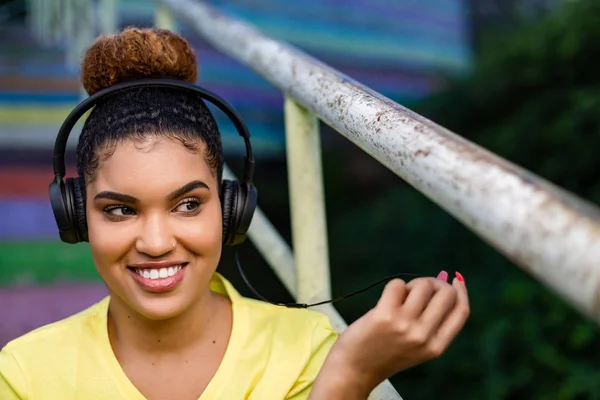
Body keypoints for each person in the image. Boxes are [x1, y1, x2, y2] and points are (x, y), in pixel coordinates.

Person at [0, 27, 470, 399]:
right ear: (77, 215)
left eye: (188, 204)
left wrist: (348, 372)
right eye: (121, 210)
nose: (158, 241)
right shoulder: (25, 373)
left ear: (232, 207)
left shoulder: (309, 348)